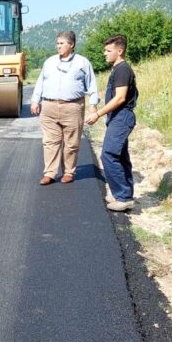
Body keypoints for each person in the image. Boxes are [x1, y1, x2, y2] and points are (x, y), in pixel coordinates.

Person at [29, 31, 99, 185]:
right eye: (57, 43)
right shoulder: (49, 62)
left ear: (71, 45)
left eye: (61, 43)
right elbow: (41, 82)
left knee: (72, 143)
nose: (58, 46)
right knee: (50, 142)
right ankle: (50, 173)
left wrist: (93, 107)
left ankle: (68, 172)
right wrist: (35, 100)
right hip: (49, 106)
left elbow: (92, 85)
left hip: (73, 107)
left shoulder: (82, 63)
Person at [86, 35, 139, 211]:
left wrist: (98, 114)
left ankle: (123, 197)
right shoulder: (117, 69)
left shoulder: (123, 70)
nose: (104, 54)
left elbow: (120, 98)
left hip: (122, 117)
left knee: (108, 154)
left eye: (108, 51)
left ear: (120, 50)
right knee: (121, 156)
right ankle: (123, 194)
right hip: (117, 117)